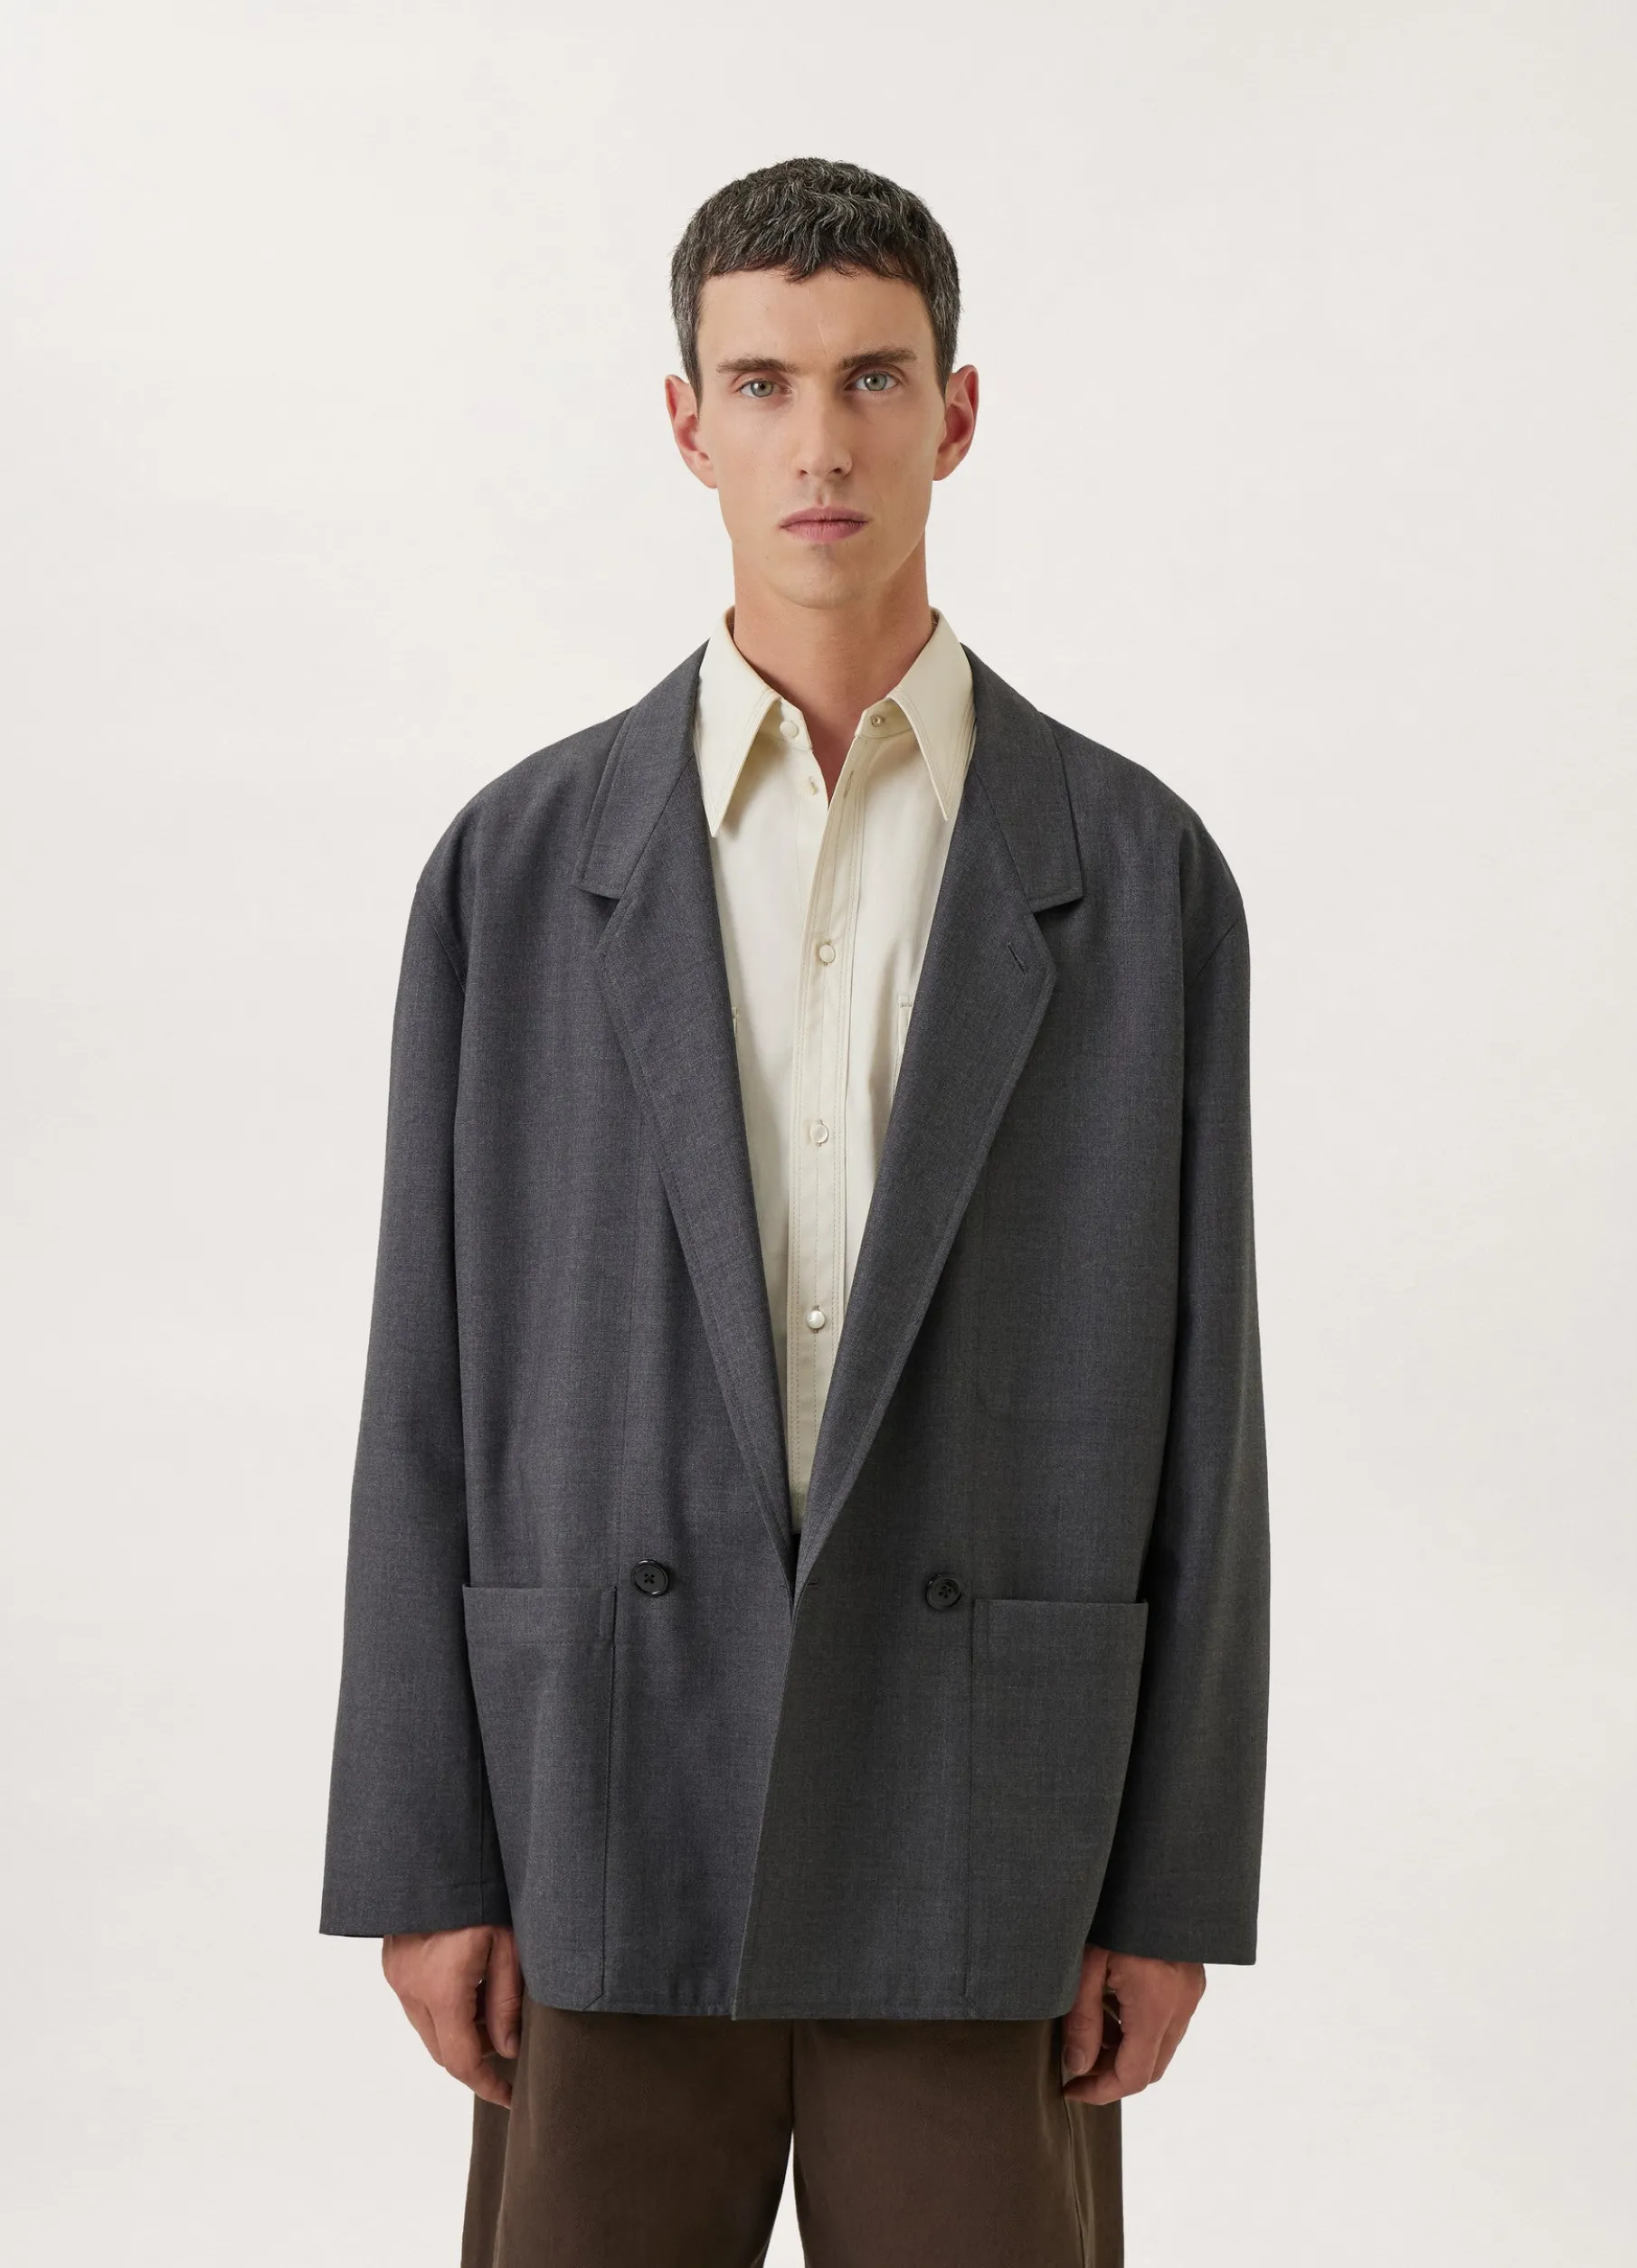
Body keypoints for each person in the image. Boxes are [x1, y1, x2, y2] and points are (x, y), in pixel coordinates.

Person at [320, 155, 1270, 2268]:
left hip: (983, 1823)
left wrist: (1167, 1884)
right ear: (687, 424)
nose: (818, 443)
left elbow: (1207, 1419)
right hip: (600, 1802)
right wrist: (423, 1849)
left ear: (956, 410)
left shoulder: (1135, 873)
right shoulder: (514, 869)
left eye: (869, 378)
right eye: (760, 384)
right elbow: (423, 1388)